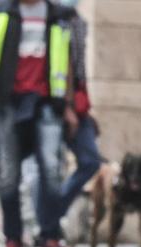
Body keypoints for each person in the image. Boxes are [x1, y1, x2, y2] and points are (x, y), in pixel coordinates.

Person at [0, 0, 75, 247]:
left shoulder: (56, 14)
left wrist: (67, 104)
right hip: (8, 101)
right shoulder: (4, 9)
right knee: (9, 175)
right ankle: (13, 240)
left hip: (46, 102)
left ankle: (50, 239)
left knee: (51, 171)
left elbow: (67, 62)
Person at [48, 0, 102, 228]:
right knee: (47, 167)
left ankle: (49, 217)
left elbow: (77, 70)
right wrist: (67, 107)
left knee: (90, 161)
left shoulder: (78, 21)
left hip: (76, 106)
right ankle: (44, 223)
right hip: (54, 104)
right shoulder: (54, 19)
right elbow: (63, 66)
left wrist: (84, 110)